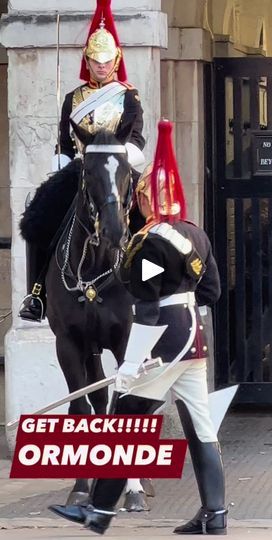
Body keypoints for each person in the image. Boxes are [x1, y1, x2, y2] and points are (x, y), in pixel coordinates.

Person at [49, 120, 227, 535]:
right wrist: (182, 302)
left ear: (149, 198)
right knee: (201, 427)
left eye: (142, 194)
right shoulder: (195, 234)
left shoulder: (150, 243)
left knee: (122, 424)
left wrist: (130, 363)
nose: (138, 201)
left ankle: (97, 512)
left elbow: (145, 310)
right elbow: (212, 292)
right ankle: (214, 514)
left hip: (163, 345)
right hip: (194, 342)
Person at [19, 0, 145, 323]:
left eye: (106, 61)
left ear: (116, 60)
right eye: (95, 61)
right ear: (87, 60)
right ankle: (36, 294)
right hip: (80, 169)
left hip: (118, 166)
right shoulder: (72, 99)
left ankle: (148, 286)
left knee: (149, 220)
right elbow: (64, 139)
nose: (101, 67)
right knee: (38, 216)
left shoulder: (127, 96)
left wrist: (120, 158)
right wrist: (61, 162)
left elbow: (136, 137)